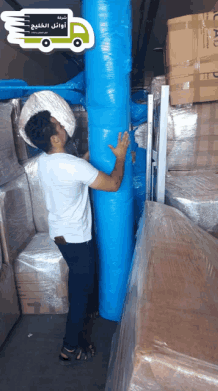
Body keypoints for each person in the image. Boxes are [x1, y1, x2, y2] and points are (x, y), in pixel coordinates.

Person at [24, 110, 130, 366]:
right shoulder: (73, 166)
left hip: (60, 235)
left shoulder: (44, 161)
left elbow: (71, 172)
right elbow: (114, 184)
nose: (63, 127)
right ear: (55, 139)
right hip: (76, 238)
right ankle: (69, 346)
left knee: (80, 282)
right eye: (58, 125)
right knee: (81, 293)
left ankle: (79, 329)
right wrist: (121, 157)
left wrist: (86, 157)